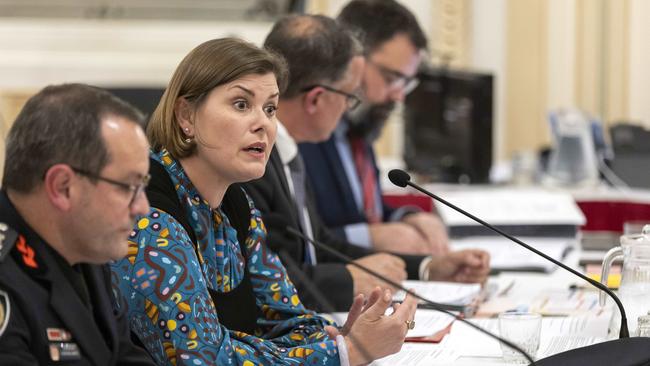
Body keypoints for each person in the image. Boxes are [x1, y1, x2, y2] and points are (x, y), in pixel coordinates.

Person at [110, 37, 417, 366]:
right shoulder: (149, 216)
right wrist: (344, 353)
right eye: (241, 104)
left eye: (270, 108)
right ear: (186, 115)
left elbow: (286, 317)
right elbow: (203, 359)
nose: (263, 124)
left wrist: (340, 335)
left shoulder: (237, 205)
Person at [245, 14, 489, 312]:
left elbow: (318, 244)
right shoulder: (253, 163)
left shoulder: (290, 150)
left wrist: (426, 267)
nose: (350, 106)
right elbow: (266, 283)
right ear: (315, 100)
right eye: (349, 96)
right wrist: (349, 281)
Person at [0, 83, 155, 365]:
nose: (142, 207)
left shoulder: (85, 249)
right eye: (128, 186)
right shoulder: (7, 273)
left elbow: (125, 356)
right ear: (62, 187)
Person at [299, 0, 451, 257]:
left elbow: (366, 209)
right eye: (392, 79)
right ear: (351, 61)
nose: (399, 96)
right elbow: (298, 239)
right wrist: (370, 237)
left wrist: (408, 217)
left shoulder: (358, 129)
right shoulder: (306, 131)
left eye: (407, 83)